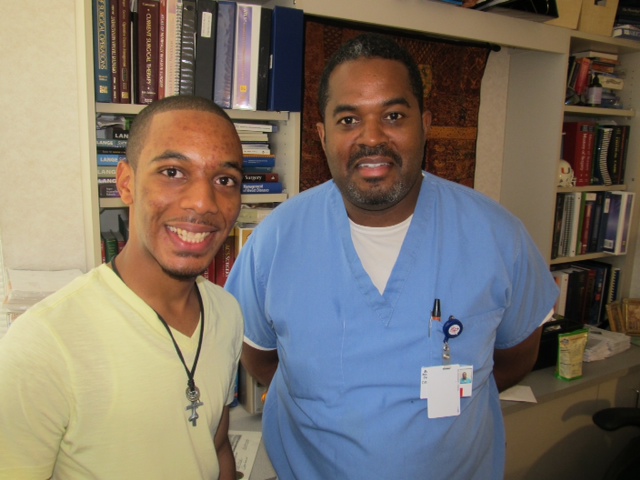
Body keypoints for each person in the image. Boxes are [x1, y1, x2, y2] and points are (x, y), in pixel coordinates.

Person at [225, 33, 558, 479]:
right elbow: (260, 358)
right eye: (348, 120)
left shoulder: (498, 237)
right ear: (322, 136)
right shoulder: (275, 241)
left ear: (426, 124)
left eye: (394, 115)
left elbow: (519, 353)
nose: (371, 138)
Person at [0, 95, 245, 479]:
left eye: (224, 180)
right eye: (172, 172)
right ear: (126, 183)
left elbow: (214, 446)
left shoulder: (227, 313)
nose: (202, 201)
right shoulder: (42, 345)